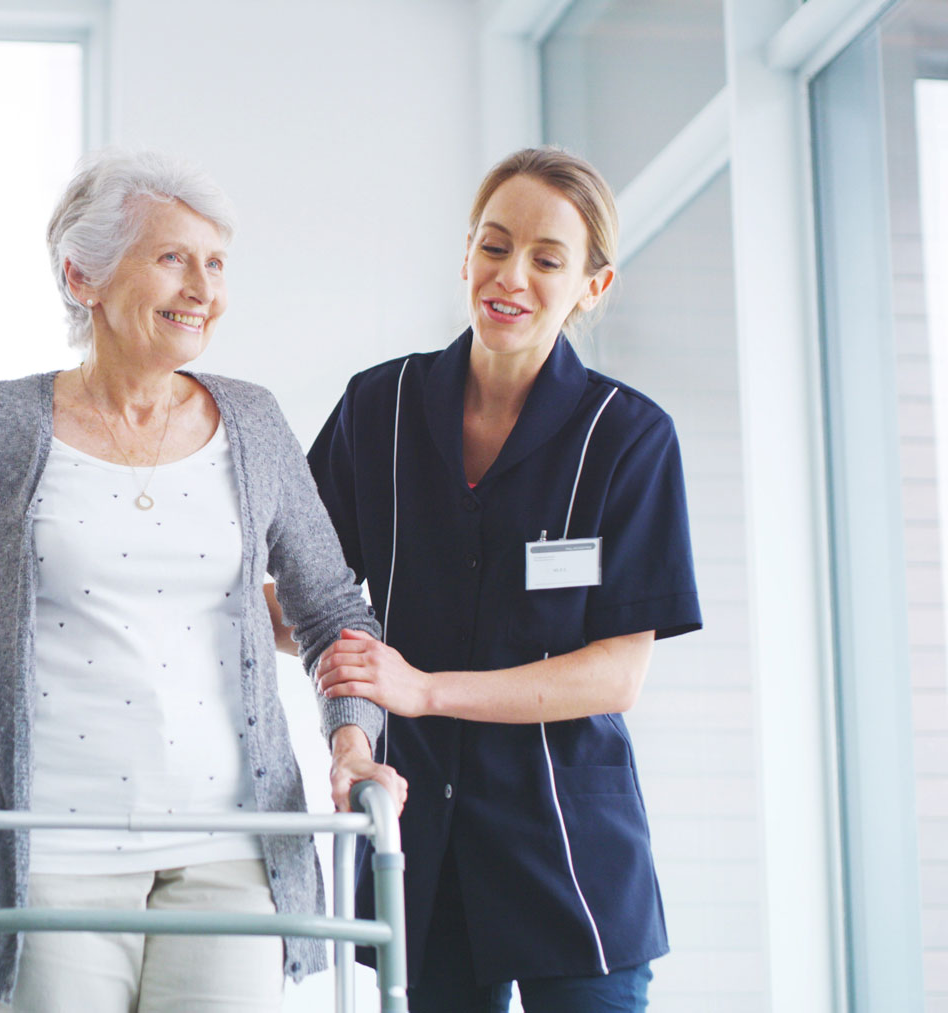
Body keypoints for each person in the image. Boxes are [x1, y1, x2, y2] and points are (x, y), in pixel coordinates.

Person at [0, 149, 406, 1012]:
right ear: (82, 275)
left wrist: (351, 743)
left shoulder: (254, 422)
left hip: (233, 850)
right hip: (47, 855)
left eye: (216, 262)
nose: (203, 286)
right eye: (172, 257)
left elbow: (335, 615)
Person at [299, 147, 701, 1011]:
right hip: (424, 845)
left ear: (593, 286)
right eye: (494, 245)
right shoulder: (380, 409)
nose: (510, 275)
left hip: (573, 853)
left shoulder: (629, 439)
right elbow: (305, 593)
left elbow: (615, 675)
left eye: (548, 259)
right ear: (467, 254)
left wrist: (426, 688)